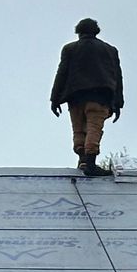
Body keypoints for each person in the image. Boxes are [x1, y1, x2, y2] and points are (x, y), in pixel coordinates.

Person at [50, 18, 124, 176]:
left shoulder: (69, 49)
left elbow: (61, 73)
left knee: (78, 130)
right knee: (94, 128)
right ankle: (90, 164)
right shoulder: (110, 50)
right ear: (96, 31)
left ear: (78, 32)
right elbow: (117, 77)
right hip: (100, 98)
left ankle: (83, 160)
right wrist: (118, 103)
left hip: (75, 97)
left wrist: (54, 99)